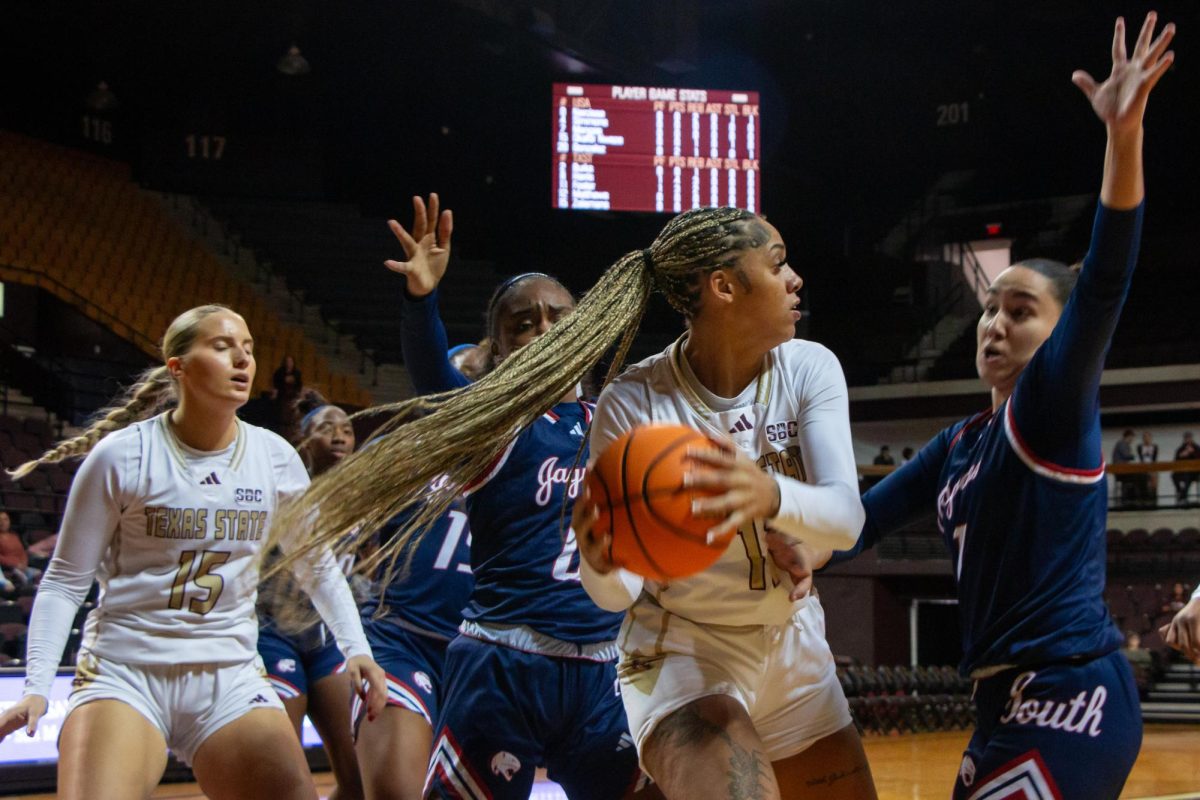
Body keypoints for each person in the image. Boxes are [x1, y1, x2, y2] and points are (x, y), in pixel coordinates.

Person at [822, 15, 1174, 799]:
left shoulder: (1049, 402)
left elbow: (1107, 278)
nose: (994, 322)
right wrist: (775, 546)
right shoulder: (957, 444)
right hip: (1000, 698)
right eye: (991, 308)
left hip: (1070, 692)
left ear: (1059, 335)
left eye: (1021, 311)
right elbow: (855, 521)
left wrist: (1123, 137)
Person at [269, 193, 648, 799]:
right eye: (523, 324)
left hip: (602, 664)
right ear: (497, 349)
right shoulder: (489, 421)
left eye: (558, 317)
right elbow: (434, 379)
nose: (544, 330)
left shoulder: (620, 421)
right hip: (502, 660)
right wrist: (422, 301)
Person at [0, 304, 386, 800]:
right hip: (125, 673)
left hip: (228, 674)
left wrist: (357, 649)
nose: (242, 360)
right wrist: (36, 687)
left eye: (247, 349)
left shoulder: (273, 457)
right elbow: (63, 581)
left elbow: (317, 566)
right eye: (223, 347)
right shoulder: (123, 455)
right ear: (177, 367)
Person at [574, 213, 875, 795]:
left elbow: (846, 519)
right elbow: (618, 594)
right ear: (725, 286)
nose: (795, 279)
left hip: (794, 644)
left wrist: (779, 506)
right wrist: (601, 562)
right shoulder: (634, 402)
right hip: (686, 652)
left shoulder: (810, 368)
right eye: (778, 261)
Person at [257, 392, 366, 800]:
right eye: (326, 429)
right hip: (272, 633)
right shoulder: (283, 490)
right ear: (304, 442)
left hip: (324, 640)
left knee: (359, 781)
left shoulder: (363, 495)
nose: (339, 436)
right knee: (282, 781)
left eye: (347, 429)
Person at [0, 510, 38, 589]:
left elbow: (22, 552)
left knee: (38, 574)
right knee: (22, 577)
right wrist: (14, 564)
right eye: (0, 520)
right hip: (9, 568)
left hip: (22, 566)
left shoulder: (14, 536)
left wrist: (24, 564)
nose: (3, 522)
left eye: (5, 519)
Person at [1120, 631, 1153, 699]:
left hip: (1140, 673)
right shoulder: (1123, 652)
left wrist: (1133, 661)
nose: (1134, 641)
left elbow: (1147, 660)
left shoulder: (1143, 652)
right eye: (1132, 639)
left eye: (1136, 639)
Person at [1172, 431, 1200, 505]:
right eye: (1186, 438)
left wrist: (1192, 452)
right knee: (1174, 476)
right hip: (1182, 471)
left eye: (1189, 438)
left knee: (1187, 477)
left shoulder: (1196, 447)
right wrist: (1181, 456)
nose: (1188, 440)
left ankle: (1182, 497)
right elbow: (1175, 461)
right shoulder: (1181, 449)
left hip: (1195, 472)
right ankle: (1181, 492)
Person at [1112, 429, 1137, 506]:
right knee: (1138, 477)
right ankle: (1128, 500)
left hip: (1124, 470)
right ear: (1129, 436)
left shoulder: (1125, 445)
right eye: (1132, 437)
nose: (1132, 440)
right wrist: (1134, 455)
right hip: (1120, 470)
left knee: (1137, 476)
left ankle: (1130, 499)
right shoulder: (1122, 444)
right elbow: (1126, 456)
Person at [1137, 431, 1159, 506]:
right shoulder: (1140, 447)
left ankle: (1153, 498)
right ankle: (1144, 498)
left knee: (1154, 477)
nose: (1146, 439)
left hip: (1152, 467)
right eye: (1145, 437)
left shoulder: (1155, 447)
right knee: (1142, 478)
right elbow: (1141, 457)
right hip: (1143, 467)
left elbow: (1154, 458)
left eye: (1148, 437)